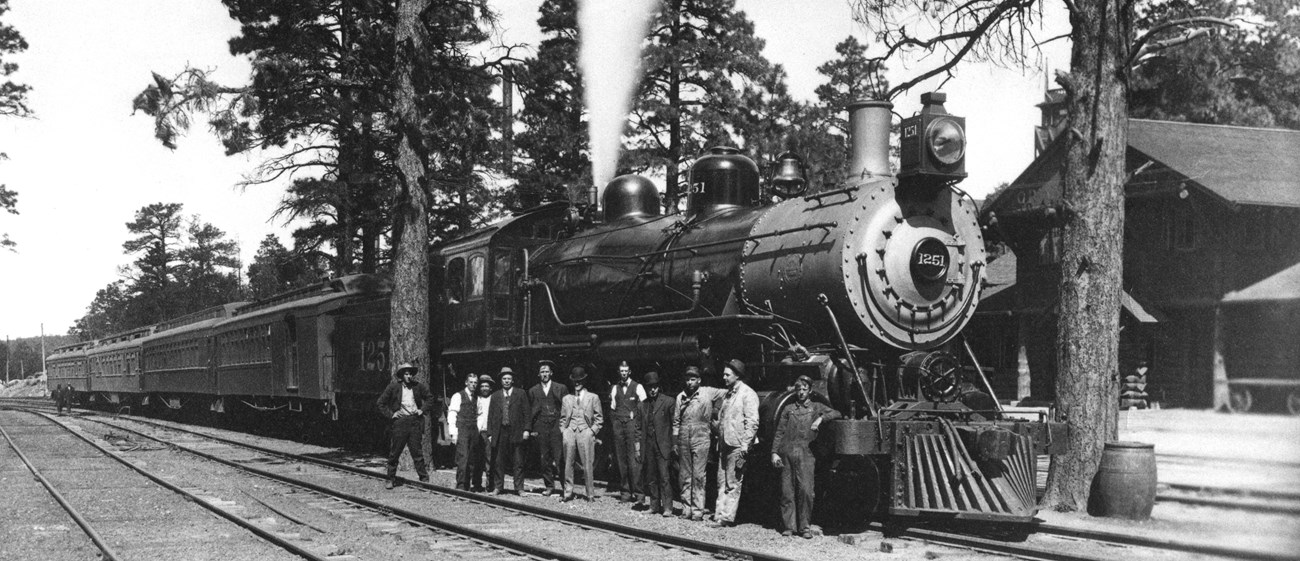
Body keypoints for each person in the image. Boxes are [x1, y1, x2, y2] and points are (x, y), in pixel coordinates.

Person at [771, 375, 842, 538]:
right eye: (798, 389)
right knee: (787, 491)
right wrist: (774, 453)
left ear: (810, 391)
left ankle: (804, 526)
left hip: (806, 454)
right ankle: (789, 526)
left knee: (806, 490)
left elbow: (837, 413)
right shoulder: (788, 409)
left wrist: (821, 419)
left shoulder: (816, 407)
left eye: (804, 389)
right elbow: (780, 432)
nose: (801, 392)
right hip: (787, 452)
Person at [673, 366, 725, 521]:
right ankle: (686, 509)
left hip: (701, 435)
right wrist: (675, 443)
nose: (690, 382)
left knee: (699, 475)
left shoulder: (708, 392)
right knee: (684, 475)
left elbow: (727, 393)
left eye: (693, 379)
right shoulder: (680, 397)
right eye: (688, 379)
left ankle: (697, 511)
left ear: (699, 380)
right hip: (683, 436)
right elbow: (676, 422)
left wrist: (716, 408)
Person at [713, 359, 759, 527]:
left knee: (733, 482)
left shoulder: (748, 394)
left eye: (727, 374)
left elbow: (752, 422)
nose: (724, 377)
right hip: (724, 443)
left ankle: (726, 517)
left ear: (737, 375)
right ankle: (719, 515)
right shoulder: (728, 393)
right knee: (721, 481)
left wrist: (746, 445)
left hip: (738, 445)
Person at [375, 363, 433, 489]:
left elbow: (430, 398)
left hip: (414, 422)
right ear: (401, 375)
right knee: (395, 452)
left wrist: (421, 410)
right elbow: (381, 403)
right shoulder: (393, 387)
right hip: (400, 422)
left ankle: (424, 478)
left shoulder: (418, 387)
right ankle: (390, 479)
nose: (409, 376)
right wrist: (392, 414)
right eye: (406, 374)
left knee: (417, 452)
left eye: (410, 374)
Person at [560, 365, 603, 501]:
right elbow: (562, 418)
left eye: (579, 381)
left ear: (584, 381)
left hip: (585, 431)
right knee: (568, 463)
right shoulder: (566, 398)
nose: (577, 383)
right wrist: (564, 431)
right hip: (570, 431)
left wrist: (591, 432)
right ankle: (568, 493)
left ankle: (590, 494)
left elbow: (599, 419)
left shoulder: (593, 397)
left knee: (587, 463)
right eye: (575, 381)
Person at [488, 366, 531, 494]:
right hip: (500, 432)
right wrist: (490, 433)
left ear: (512, 381)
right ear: (501, 380)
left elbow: (527, 413)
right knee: (498, 461)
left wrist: (526, 429)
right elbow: (491, 415)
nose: (506, 381)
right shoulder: (495, 396)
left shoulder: (521, 393)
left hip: (516, 431)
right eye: (504, 378)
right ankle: (498, 487)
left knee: (518, 461)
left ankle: (519, 488)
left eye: (509, 379)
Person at [528, 359, 568, 496]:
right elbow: (531, 411)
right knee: (544, 458)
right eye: (542, 372)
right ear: (539, 375)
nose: (544, 374)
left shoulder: (560, 388)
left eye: (546, 371)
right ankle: (549, 486)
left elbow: (567, 408)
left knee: (560, 457)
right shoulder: (533, 391)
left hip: (556, 425)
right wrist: (532, 428)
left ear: (551, 373)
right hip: (541, 426)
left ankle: (566, 487)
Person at [638, 371, 675, 516]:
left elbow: (674, 425)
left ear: (659, 386)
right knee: (651, 477)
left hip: (663, 445)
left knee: (664, 477)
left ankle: (667, 507)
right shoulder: (642, 406)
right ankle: (654, 505)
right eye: (650, 387)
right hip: (648, 445)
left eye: (655, 386)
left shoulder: (668, 402)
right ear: (646, 389)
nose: (652, 390)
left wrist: (673, 445)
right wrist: (637, 448)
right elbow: (638, 428)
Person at [608, 360, 646, 502]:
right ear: (619, 372)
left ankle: (639, 494)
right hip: (619, 426)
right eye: (621, 371)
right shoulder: (615, 388)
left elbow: (643, 408)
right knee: (621, 460)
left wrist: (636, 421)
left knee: (633, 460)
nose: (624, 373)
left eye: (626, 371)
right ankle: (625, 492)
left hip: (632, 426)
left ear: (629, 372)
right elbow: (612, 409)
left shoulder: (638, 387)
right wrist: (615, 425)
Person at [446, 372, 480, 491]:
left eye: (475, 383)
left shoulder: (476, 397)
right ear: (466, 382)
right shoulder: (458, 395)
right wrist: (453, 432)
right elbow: (452, 414)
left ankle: (468, 485)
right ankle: (461, 485)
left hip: (473, 430)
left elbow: (479, 414)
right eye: (471, 382)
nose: (473, 385)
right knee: (463, 458)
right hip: (462, 430)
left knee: (472, 459)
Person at [474, 374, 496, 492]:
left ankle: (490, 485)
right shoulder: (476, 399)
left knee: (489, 460)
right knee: (477, 459)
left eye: (487, 386)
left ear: (490, 388)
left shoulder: (494, 399)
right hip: (478, 432)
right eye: (482, 386)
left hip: (489, 433)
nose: (484, 388)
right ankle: (477, 484)